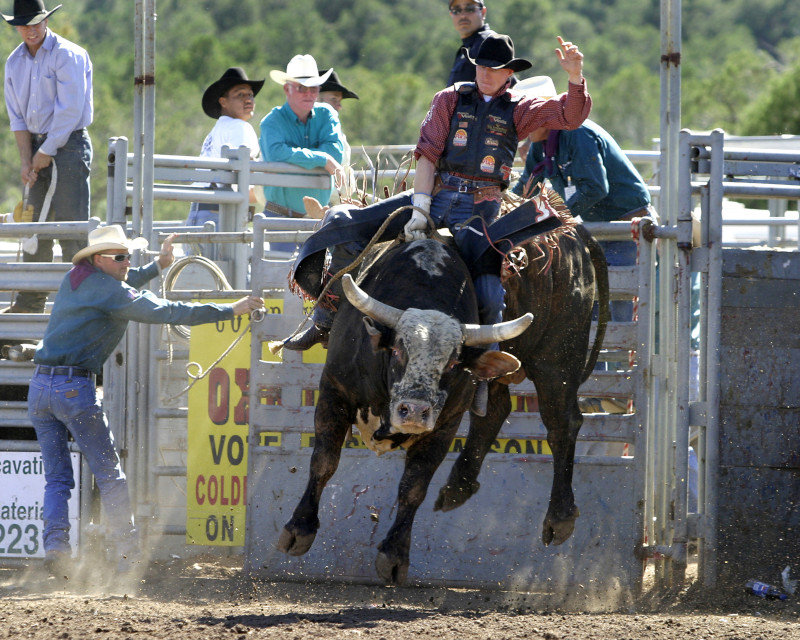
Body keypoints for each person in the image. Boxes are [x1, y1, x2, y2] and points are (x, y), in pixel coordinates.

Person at [284, 34, 590, 366]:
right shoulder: (449, 99)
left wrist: (575, 77)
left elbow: (570, 116)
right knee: (342, 222)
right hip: (436, 194)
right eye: (481, 66)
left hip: (479, 209)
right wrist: (420, 208)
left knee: (489, 293)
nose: (485, 73)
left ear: (509, 73)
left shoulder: (520, 108)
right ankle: (326, 319)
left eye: (494, 68)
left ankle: (485, 362)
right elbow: (428, 154)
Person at [28, 224, 264, 577]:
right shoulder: (109, 292)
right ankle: (128, 556)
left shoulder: (76, 278)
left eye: (128, 256)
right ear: (99, 259)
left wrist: (157, 267)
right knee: (110, 474)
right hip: (74, 389)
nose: (127, 262)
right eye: (120, 257)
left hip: (40, 388)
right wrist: (230, 310)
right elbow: (167, 311)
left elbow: (119, 285)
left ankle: (56, 547)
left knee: (58, 477)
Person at [2, 0, 93, 314]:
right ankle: (30, 303)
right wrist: (27, 160)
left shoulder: (68, 54)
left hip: (69, 145)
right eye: (24, 24)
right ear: (17, 26)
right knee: (33, 226)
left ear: (46, 21)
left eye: (36, 22)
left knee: (71, 226)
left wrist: (45, 151)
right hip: (37, 145)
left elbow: (70, 111)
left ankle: (81, 306)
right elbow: (17, 117)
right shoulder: (14, 62)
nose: (30, 30)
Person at [259, 54, 345, 251]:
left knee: (320, 272)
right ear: (286, 89)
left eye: (313, 88)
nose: (309, 93)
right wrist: (322, 158)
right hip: (281, 217)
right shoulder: (271, 121)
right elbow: (276, 153)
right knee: (281, 270)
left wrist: (297, 156)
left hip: (318, 219)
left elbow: (335, 153)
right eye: (301, 88)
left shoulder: (327, 114)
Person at [185, 67, 264, 259]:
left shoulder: (217, 130)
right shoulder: (240, 127)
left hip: (199, 213)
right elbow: (243, 174)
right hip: (219, 215)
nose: (248, 99)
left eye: (250, 95)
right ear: (223, 101)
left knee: (197, 274)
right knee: (229, 275)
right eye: (240, 95)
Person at [317, 68, 359, 204]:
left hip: (337, 202)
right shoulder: (310, 129)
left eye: (339, 100)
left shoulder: (334, 129)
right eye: (334, 99)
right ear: (316, 98)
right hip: (322, 202)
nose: (339, 106)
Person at [447, 0, 496, 86]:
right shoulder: (467, 48)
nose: (463, 15)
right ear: (451, 14)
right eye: (456, 10)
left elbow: (508, 85)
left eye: (470, 9)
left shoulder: (488, 42)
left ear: (483, 12)